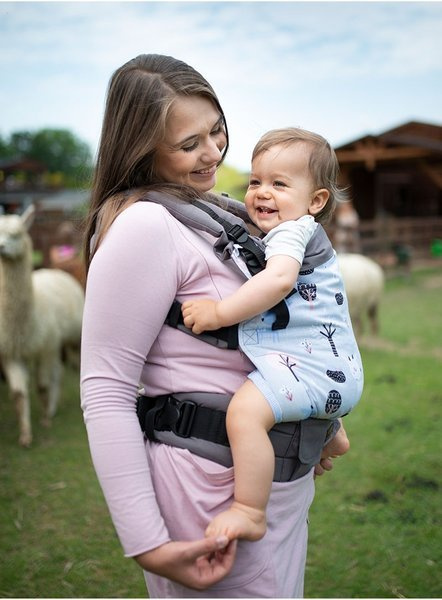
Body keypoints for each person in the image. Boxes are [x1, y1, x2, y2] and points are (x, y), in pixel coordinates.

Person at [80, 54, 349, 598]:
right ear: (142, 148)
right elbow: (106, 389)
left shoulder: (214, 213)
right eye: (189, 144)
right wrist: (147, 542)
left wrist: (315, 420)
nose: (213, 153)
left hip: (272, 482)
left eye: (217, 129)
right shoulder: (145, 226)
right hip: (208, 492)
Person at [182, 127, 364, 543]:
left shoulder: (291, 232)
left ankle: (250, 509)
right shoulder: (298, 232)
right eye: (255, 181)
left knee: (244, 414)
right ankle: (331, 434)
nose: (262, 192)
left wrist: (219, 312)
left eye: (279, 184)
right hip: (331, 367)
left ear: (316, 201)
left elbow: (279, 281)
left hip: (313, 368)